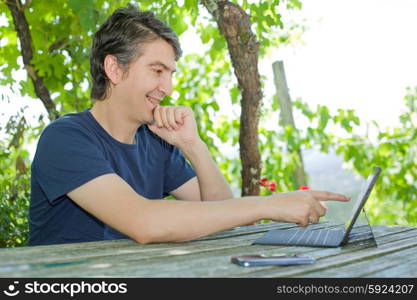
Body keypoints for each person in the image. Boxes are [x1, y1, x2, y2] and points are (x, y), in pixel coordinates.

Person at [28, 5, 349, 246]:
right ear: (114, 68)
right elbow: (143, 222)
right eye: (157, 71)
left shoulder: (156, 142)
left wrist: (193, 145)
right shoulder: (66, 139)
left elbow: (221, 213)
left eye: (170, 74)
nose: (167, 88)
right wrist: (269, 205)